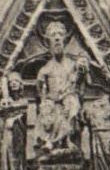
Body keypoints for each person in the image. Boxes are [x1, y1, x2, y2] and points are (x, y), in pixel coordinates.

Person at [34, 22, 87, 157]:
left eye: (60, 35)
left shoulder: (72, 65)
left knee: (71, 104)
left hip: (68, 102)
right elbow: (41, 91)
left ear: (65, 39)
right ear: (48, 42)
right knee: (49, 110)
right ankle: (50, 142)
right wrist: (47, 100)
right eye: (53, 35)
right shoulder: (45, 69)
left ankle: (67, 140)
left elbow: (79, 84)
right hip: (52, 103)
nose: (57, 38)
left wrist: (82, 70)